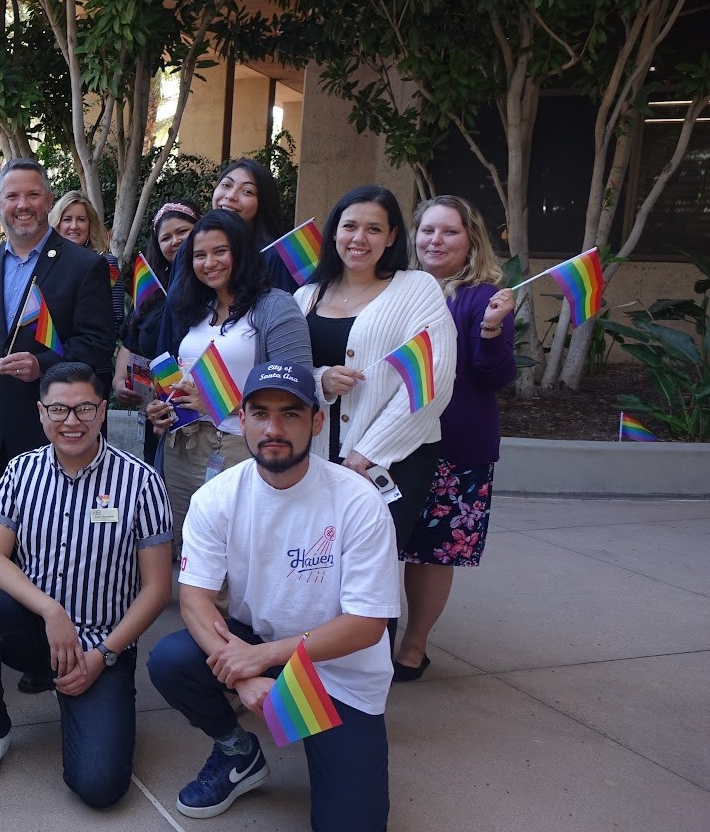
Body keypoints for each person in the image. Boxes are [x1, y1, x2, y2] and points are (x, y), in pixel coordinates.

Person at [146, 361, 398, 832]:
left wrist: (261, 660)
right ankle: (241, 754)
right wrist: (242, 678)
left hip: (335, 672)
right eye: (260, 414)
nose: (274, 429)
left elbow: (369, 626)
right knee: (171, 660)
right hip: (259, 647)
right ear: (242, 420)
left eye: (291, 414)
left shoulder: (358, 501)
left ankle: (308, 728)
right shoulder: (217, 496)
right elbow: (195, 600)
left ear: (317, 422)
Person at [0, 363, 173, 806]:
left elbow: (157, 588)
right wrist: (51, 611)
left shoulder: (142, 482)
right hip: (35, 628)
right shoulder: (20, 471)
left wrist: (104, 655)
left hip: (101, 645)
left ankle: (93, 700)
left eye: (84, 408)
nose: (72, 422)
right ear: (41, 412)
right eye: (59, 410)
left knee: (100, 787)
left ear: (103, 410)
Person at [294, 185, 455, 556]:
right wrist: (322, 381)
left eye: (374, 229)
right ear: (335, 231)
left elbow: (432, 380)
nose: (359, 239)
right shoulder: (306, 296)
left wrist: (367, 453)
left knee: (371, 564)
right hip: (316, 456)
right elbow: (290, 371)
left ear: (392, 236)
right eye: (350, 226)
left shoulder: (417, 289)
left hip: (396, 455)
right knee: (316, 562)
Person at [394, 195, 516, 680]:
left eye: (449, 232)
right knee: (379, 545)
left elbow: (495, 378)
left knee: (432, 550)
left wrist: (489, 331)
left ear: (471, 241)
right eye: (427, 230)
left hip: (455, 447)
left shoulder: (483, 298)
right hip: (391, 441)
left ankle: (413, 645)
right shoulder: (394, 290)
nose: (436, 240)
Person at [0, 158, 116, 512]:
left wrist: (41, 365)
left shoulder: (84, 265)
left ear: (48, 200)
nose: (23, 205)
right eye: (12, 196)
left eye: (33, 195)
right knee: (0, 536)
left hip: (56, 430)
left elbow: (98, 346)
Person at [147, 210, 312, 540]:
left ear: (241, 252)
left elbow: (298, 387)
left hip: (238, 448)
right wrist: (161, 407)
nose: (210, 263)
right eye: (199, 255)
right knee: (185, 549)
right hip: (181, 446)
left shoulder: (274, 306)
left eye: (220, 251)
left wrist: (217, 402)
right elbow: (188, 378)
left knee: (235, 551)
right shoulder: (195, 308)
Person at [113, 201, 200, 463]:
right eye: (166, 237)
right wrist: (119, 383)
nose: (175, 241)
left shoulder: (212, 285)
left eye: (182, 232)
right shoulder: (149, 290)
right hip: (156, 414)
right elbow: (131, 340)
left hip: (204, 414)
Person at [51, 190, 125, 352]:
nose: (74, 226)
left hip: (90, 358)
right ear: (57, 224)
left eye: (81, 219)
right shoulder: (45, 265)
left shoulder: (107, 264)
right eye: (67, 219)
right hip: (46, 358)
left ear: (90, 224)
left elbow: (117, 319)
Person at [212, 159, 297, 293]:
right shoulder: (193, 247)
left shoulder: (273, 256)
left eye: (247, 191)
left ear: (263, 203)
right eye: (226, 185)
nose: (231, 196)